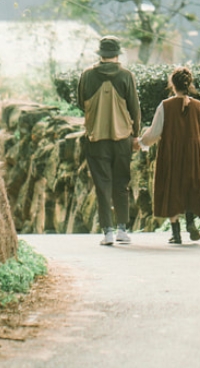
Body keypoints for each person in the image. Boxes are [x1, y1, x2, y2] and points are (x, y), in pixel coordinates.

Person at [77, 35, 141, 246]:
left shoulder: (87, 75)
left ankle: (108, 232)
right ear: (117, 54)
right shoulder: (126, 76)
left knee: (102, 185)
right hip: (122, 138)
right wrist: (136, 134)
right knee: (121, 183)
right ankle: (122, 229)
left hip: (96, 138)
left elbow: (80, 102)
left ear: (101, 54)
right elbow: (135, 109)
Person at [138, 66, 200, 244]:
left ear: (172, 85)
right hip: (193, 153)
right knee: (190, 186)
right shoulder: (198, 106)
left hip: (171, 153)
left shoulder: (165, 106)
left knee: (172, 187)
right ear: (189, 83)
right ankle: (190, 220)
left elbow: (155, 132)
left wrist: (140, 143)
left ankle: (176, 233)